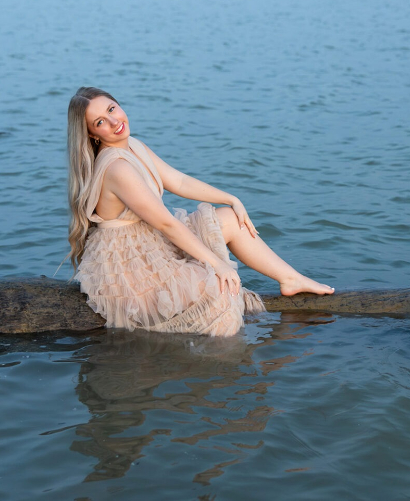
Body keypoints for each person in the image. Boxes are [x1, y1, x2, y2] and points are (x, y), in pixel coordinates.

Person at [66, 87, 334, 337]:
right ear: (92, 134)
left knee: (231, 218)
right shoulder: (117, 168)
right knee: (220, 291)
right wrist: (217, 264)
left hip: (151, 240)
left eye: (112, 109)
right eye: (100, 122)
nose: (114, 122)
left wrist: (231, 198)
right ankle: (224, 371)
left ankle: (290, 279)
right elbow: (167, 224)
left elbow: (179, 182)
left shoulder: (133, 145)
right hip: (129, 263)